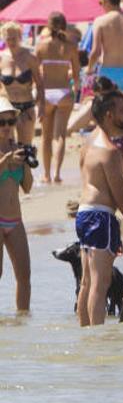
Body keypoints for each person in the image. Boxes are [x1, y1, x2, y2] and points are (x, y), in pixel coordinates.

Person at [75, 91, 123, 326]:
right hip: (101, 217)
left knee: (87, 282)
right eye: (122, 110)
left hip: (84, 213)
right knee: (100, 284)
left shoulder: (89, 143)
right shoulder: (110, 151)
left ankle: (85, 335)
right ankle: (97, 339)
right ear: (109, 115)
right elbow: (121, 198)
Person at [35, 13, 79, 184]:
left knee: (46, 137)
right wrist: (75, 89)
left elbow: (35, 73)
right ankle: (57, 174)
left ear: (48, 25)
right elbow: (76, 75)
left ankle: (46, 175)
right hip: (64, 92)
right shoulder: (71, 46)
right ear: (65, 25)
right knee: (60, 136)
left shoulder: (41, 46)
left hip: (47, 92)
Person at [0, 98, 32, 312]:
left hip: (15, 219)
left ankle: (23, 320)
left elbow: (27, 187)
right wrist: (6, 161)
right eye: (1, 122)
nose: (6, 127)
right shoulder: (8, 154)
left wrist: (26, 164)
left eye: (10, 122)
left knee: (24, 276)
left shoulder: (17, 149)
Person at [0, 23, 40, 146]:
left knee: (26, 147)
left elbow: (40, 84)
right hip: (7, 108)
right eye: (8, 38)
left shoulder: (29, 57)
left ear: (20, 37)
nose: (11, 41)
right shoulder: (1, 58)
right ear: (3, 38)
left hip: (26, 107)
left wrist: (41, 106)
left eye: (14, 38)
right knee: (7, 146)